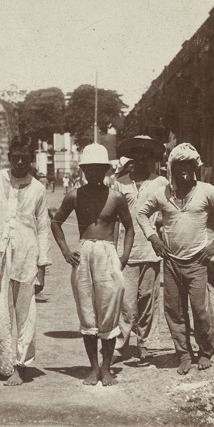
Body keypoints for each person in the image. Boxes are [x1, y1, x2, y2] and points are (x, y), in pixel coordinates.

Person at [138, 143, 214, 374]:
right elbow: (141, 213)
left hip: (198, 262)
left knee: (201, 310)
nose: (184, 169)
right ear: (171, 167)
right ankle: (183, 354)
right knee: (174, 309)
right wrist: (153, 238)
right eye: (179, 165)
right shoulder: (162, 193)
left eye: (188, 165)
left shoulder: (206, 190)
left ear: (195, 167)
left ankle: (205, 351)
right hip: (170, 261)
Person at [0, 134, 51, 386]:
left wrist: (42, 266)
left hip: (27, 256)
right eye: (15, 158)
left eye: (25, 158)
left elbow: (43, 228)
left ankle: (22, 368)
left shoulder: (38, 188)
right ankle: (3, 367)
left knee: (25, 315)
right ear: (9, 157)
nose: (20, 163)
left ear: (32, 159)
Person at [51, 143, 133, 386]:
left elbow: (129, 228)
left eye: (99, 169)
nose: (95, 174)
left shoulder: (116, 197)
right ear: (84, 170)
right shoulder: (75, 195)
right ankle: (93, 368)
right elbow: (56, 222)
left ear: (106, 170)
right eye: (90, 169)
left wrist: (124, 256)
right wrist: (66, 251)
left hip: (108, 253)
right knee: (87, 314)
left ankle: (106, 368)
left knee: (108, 312)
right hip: (84, 252)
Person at [112, 136, 169, 360]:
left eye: (147, 154)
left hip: (151, 249)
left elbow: (168, 212)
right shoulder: (120, 183)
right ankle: (120, 343)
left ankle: (145, 342)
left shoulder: (161, 183)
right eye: (138, 153)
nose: (142, 158)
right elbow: (114, 217)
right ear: (133, 156)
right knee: (124, 299)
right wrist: (115, 249)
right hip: (125, 248)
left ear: (152, 157)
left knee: (148, 297)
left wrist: (159, 227)